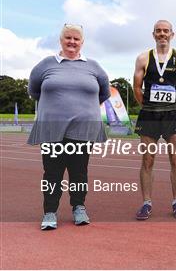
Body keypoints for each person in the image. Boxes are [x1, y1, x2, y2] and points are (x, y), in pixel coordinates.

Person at [28, 24, 110, 230]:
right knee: (52, 172)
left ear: (82, 42)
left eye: (76, 38)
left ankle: (79, 207)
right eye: (68, 38)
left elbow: (104, 93)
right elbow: (34, 91)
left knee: (79, 172)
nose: (72, 42)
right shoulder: (46, 65)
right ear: (61, 40)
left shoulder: (94, 67)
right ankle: (50, 212)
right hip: (52, 129)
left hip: (83, 129)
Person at [133, 20, 176, 220]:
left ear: (172, 34)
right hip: (150, 116)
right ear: (153, 34)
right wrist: (144, 105)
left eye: (166, 31)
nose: (162, 34)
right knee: (147, 160)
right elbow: (137, 86)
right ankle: (146, 203)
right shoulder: (143, 58)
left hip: (173, 115)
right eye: (159, 31)